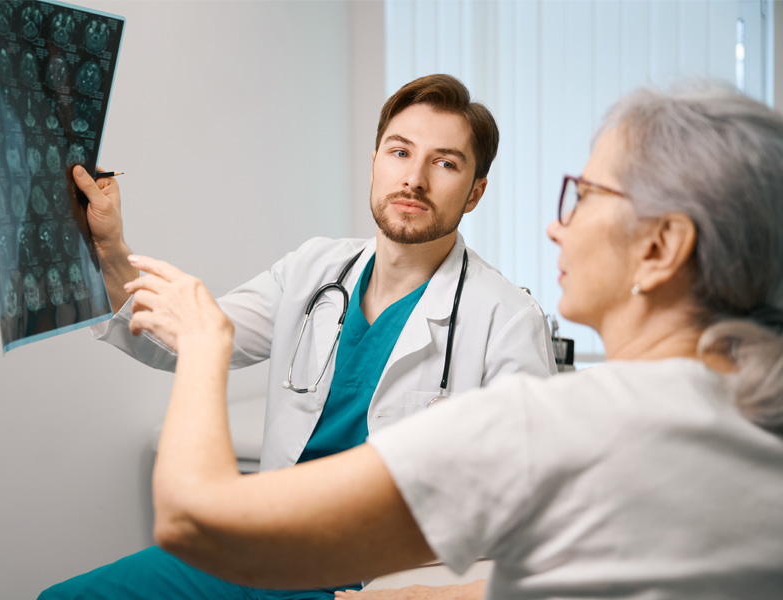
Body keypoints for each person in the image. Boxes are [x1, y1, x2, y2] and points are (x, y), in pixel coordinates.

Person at [122, 83, 783, 599]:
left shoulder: (546, 416)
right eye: (399, 151)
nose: (558, 229)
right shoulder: (746, 428)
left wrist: (209, 344)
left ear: (662, 247)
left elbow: (193, 516)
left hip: (311, 555)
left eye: (581, 196)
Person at [39, 74, 557, 599]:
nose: (414, 179)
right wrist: (110, 248)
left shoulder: (507, 319)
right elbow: (186, 339)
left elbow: (531, 501)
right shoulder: (313, 270)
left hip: (376, 578)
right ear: (375, 161)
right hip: (264, 550)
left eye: (445, 163)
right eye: (400, 152)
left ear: (474, 193)